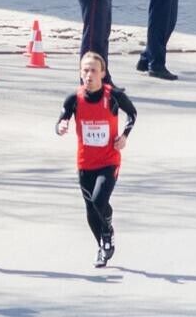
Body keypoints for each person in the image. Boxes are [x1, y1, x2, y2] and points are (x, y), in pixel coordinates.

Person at [56, 52, 136, 268]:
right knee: (91, 208)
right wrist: (61, 126)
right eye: (85, 70)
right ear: (80, 73)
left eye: (93, 70)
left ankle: (107, 230)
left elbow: (132, 114)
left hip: (109, 160)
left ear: (102, 73)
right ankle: (101, 246)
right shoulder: (74, 99)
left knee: (99, 200)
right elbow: (61, 120)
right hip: (85, 163)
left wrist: (124, 136)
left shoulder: (113, 96)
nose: (88, 74)